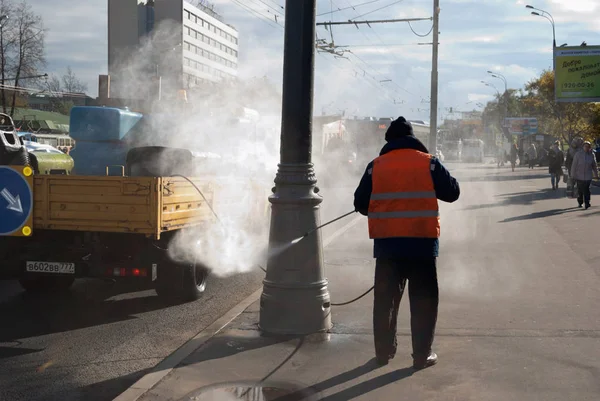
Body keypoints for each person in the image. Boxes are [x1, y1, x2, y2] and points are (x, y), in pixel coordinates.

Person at [353, 116, 460, 370]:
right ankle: (421, 356)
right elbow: (453, 192)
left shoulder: (375, 166)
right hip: (422, 244)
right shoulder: (429, 163)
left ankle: (383, 353)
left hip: (388, 247)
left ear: (389, 141)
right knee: (423, 300)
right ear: (413, 139)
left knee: (385, 301)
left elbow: (359, 203)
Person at [570, 141, 599, 209]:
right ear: (582, 147)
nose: (586, 148)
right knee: (580, 190)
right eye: (585, 146)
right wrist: (572, 175)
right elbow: (574, 165)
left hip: (588, 176)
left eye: (588, 146)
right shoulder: (578, 154)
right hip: (579, 175)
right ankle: (580, 202)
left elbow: (594, 165)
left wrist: (596, 174)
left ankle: (587, 202)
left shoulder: (591, 155)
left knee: (587, 190)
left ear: (590, 147)